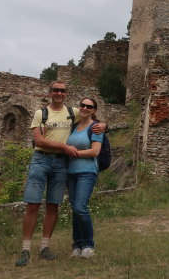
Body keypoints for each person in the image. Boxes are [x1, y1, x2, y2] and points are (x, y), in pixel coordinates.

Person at [15, 81, 106, 267]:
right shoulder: (41, 113)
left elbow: (92, 121)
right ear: (50, 92)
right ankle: (25, 249)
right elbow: (39, 140)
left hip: (61, 164)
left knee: (53, 205)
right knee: (32, 204)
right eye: (55, 90)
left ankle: (44, 247)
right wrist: (64, 146)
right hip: (41, 159)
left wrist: (105, 125)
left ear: (66, 93)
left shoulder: (72, 113)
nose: (59, 93)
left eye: (62, 90)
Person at [66, 97, 103, 259]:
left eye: (89, 106)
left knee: (80, 207)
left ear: (94, 110)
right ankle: (77, 245)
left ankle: (88, 244)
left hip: (87, 172)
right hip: (71, 172)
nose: (85, 108)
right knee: (75, 210)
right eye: (82, 105)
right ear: (79, 107)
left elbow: (95, 151)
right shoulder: (73, 127)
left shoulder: (96, 128)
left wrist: (74, 153)